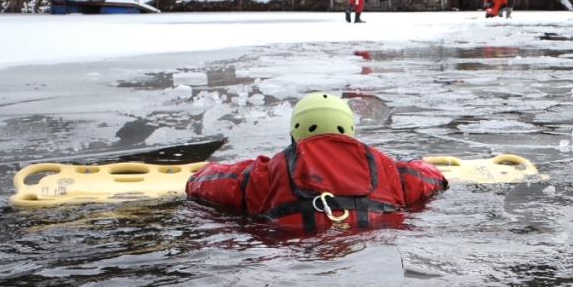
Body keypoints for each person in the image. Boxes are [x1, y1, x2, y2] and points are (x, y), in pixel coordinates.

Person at [186, 92, 448, 234]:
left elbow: (209, 182)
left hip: (293, 254)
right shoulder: (388, 168)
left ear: (295, 131)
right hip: (374, 245)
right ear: (349, 127)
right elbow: (430, 177)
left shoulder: (268, 172)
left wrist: (196, 176)